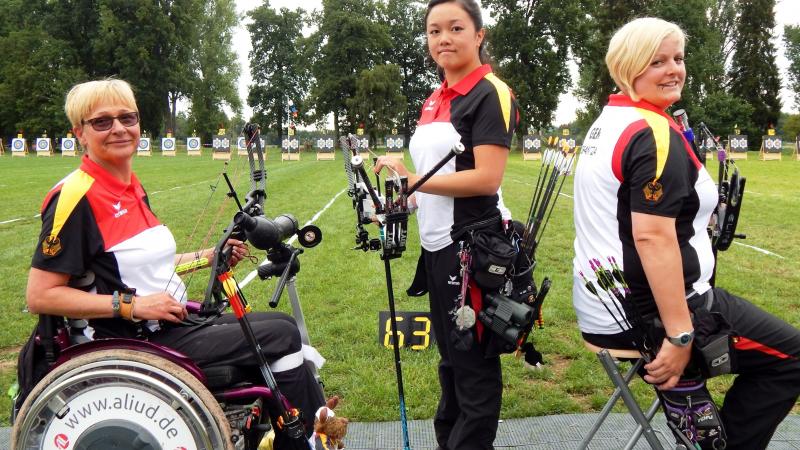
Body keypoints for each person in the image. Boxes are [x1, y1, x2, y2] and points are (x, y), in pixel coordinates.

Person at [23, 78, 324, 434]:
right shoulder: (75, 198)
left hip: (168, 323)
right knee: (281, 334)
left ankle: (307, 433)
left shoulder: (130, 186)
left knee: (282, 329)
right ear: (80, 134)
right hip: (133, 339)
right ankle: (307, 437)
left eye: (127, 118)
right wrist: (133, 306)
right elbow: (40, 295)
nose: (119, 128)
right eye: (102, 122)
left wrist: (210, 255)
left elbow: (142, 267)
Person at [572, 17, 800, 449]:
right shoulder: (653, 132)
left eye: (678, 58)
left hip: (605, 307)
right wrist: (680, 336)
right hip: (656, 315)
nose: (673, 69)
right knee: (792, 357)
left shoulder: (611, 119)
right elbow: (652, 238)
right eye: (656, 61)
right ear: (628, 66)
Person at [373, 1, 518, 448]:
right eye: (434, 31)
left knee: (472, 364)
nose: (444, 39)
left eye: (456, 28)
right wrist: (404, 200)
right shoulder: (435, 97)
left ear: (479, 35)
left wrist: (413, 179)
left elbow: (487, 178)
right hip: (436, 248)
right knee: (451, 359)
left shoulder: (490, 91)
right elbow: (437, 175)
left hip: (471, 246)